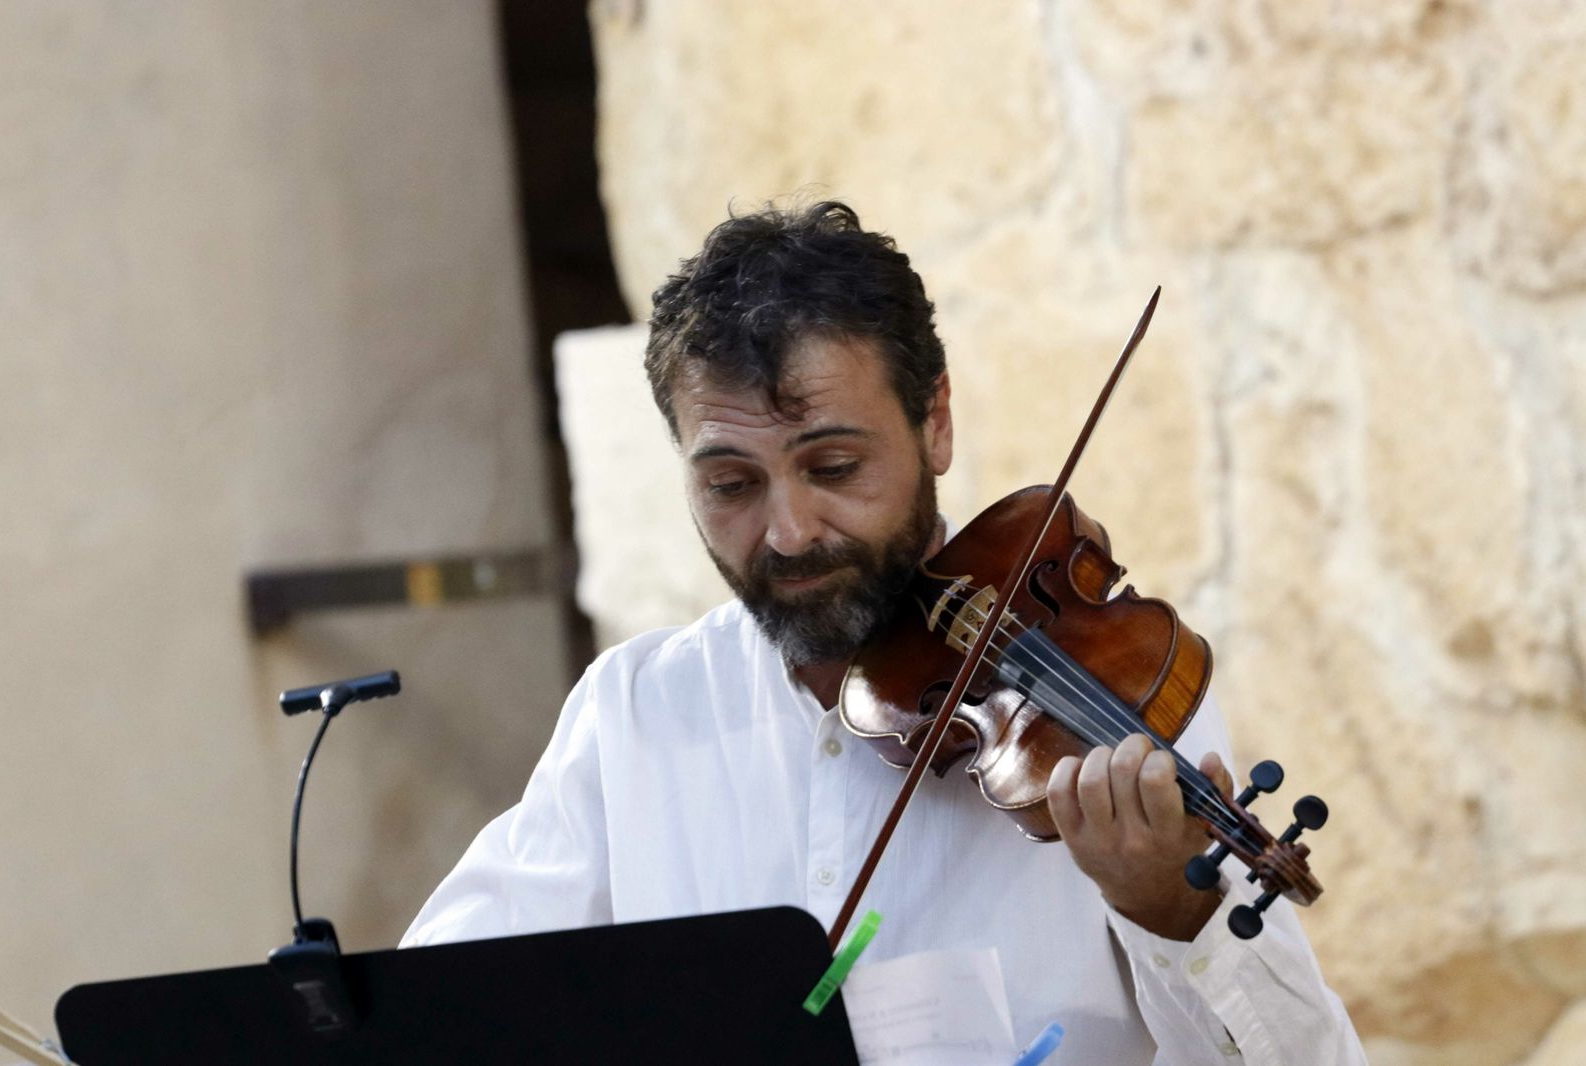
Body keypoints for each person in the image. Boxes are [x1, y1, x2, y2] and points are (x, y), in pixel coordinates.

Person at [403, 201, 1366, 1063]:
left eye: (833, 466)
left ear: (934, 422)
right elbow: (437, 1010)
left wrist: (1174, 910)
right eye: (731, 485)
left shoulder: (1103, 692)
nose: (788, 532)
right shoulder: (639, 713)